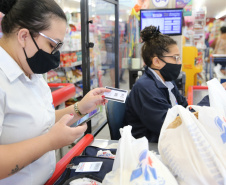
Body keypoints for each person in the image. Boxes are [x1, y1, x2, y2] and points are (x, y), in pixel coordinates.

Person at [0, 0, 110, 184]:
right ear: (24, 36)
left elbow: (43, 119)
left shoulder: (29, 69)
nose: (55, 55)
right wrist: (50, 142)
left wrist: (80, 108)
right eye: (52, 45)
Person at [124, 25, 209, 143]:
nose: (179, 63)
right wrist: (209, 100)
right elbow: (169, 126)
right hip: (149, 146)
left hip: (167, 139)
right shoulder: (146, 88)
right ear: (156, 61)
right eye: (175, 58)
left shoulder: (167, 81)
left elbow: (184, 109)